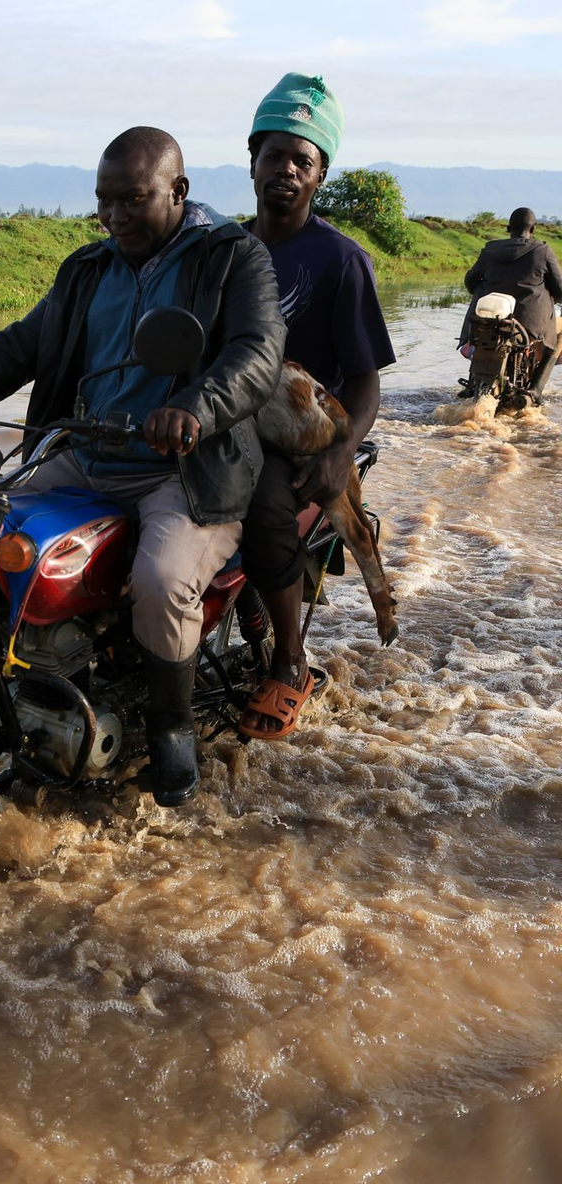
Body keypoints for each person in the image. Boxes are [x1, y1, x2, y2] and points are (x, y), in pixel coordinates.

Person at [0, 126, 285, 803]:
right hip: (84, 454)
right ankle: (9, 683)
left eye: (133, 199)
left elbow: (257, 353)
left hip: (183, 469)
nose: (115, 216)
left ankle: (170, 725)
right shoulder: (88, 269)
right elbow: (21, 347)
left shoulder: (231, 258)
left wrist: (193, 406)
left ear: (177, 191)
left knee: (160, 582)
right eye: (105, 201)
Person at [235, 73, 396, 740]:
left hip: (296, 434)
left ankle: (291, 660)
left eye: (303, 160)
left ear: (320, 175)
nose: (286, 170)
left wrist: (340, 452)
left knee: (268, 504)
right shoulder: (226, 249)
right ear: (252, 162)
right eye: (275, 155)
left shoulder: (340, 260)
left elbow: (364, 383)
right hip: (226, 418)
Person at [460, 207, 562, 402]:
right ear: (532, 229)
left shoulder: (490, 249)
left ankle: (473, 383)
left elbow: (471, 281)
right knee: (555, 341)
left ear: (508, 228)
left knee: (482, 337)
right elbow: (560, 289)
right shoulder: (543, 250)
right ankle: (535, 391)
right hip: (530, 322)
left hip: (487, 319)